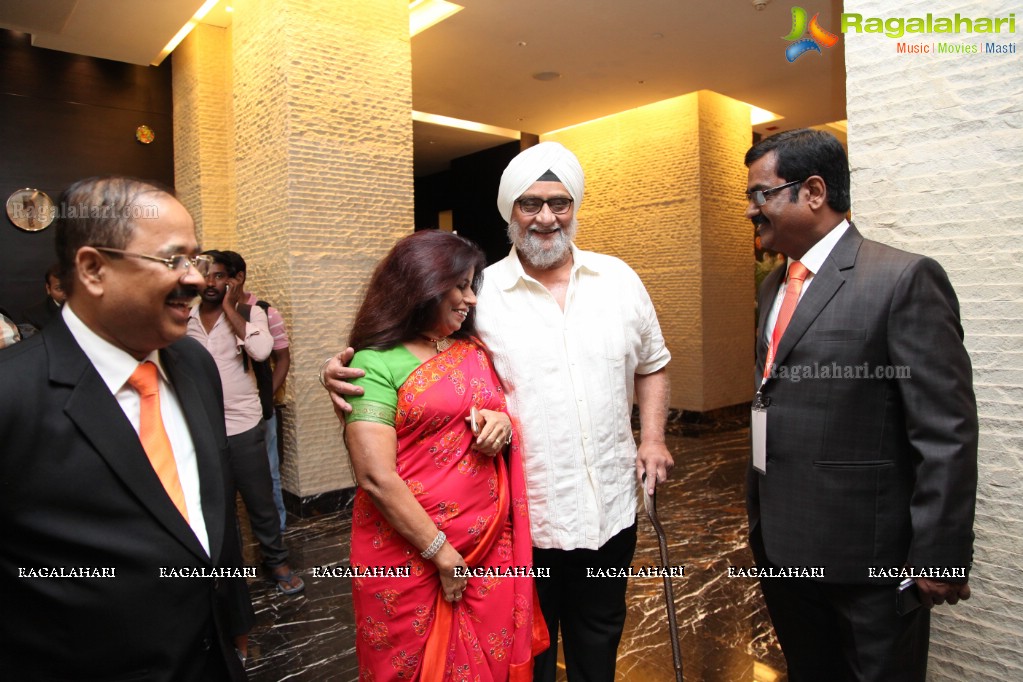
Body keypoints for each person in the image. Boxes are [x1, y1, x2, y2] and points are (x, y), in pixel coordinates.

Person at [324, 142, 673, 682]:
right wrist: (345, 370)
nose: (546, 217)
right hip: (517, 523)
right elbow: (418, 351)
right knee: (524, 652)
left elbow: (653, 364)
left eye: (559, 203)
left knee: (601, 637)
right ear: (510, 211)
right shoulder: (482, 295)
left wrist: (652, 438)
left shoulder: (621, 282)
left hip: (610, 507)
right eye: (530, 204)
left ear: (575, 207)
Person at [744, 129, 978, 681]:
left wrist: (940, 555)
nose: (752, 210)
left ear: (815, 192)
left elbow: (945, 431)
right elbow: (770, 396)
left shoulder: (902, 279)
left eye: (762, 194)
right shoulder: (772, 286)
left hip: (868, 563)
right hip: (782, 548)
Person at [0, 176, 252, 680]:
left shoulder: (195, 367)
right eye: (173, 260)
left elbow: (210, 507)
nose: (199, 279)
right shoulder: (13, 395)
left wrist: (235, 619)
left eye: (197, 260)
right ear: (93, 269)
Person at [342, 229, 547, 680]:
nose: (470, 299)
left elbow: (502, 412)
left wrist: (503, 424)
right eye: (459, 286)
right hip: (408, 554)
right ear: (421, 284)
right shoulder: (374, 363)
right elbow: (375, 476)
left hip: (490, 546)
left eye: (472, 285)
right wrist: (440, 552)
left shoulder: (474, 350)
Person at [187, 250, 304, 596]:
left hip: (243, 423)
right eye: (206, 275)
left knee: (259, 500)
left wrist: (228, 309)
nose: (211, 282)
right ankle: (230, 570)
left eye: (220, 276)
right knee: (217, 503)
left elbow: (263, 351)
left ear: (233, 281)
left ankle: (277, 562)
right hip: (203, 427)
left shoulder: (250, 314)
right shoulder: (185, 318)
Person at [222, 250, 291, 532]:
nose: (211, 283)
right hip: (224, 414)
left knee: (270, 473)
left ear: (238, 278)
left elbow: (282, 359)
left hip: (261, 410)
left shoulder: (262, 311)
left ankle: (278, 534)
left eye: (221, 276)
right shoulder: (204, 314)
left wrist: (267, 397)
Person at [21, 263, 66, 332]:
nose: (67, 293)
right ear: (48, 288)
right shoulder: (32, 316)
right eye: (59, 288)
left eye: (72, 287)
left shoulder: (87, 308)